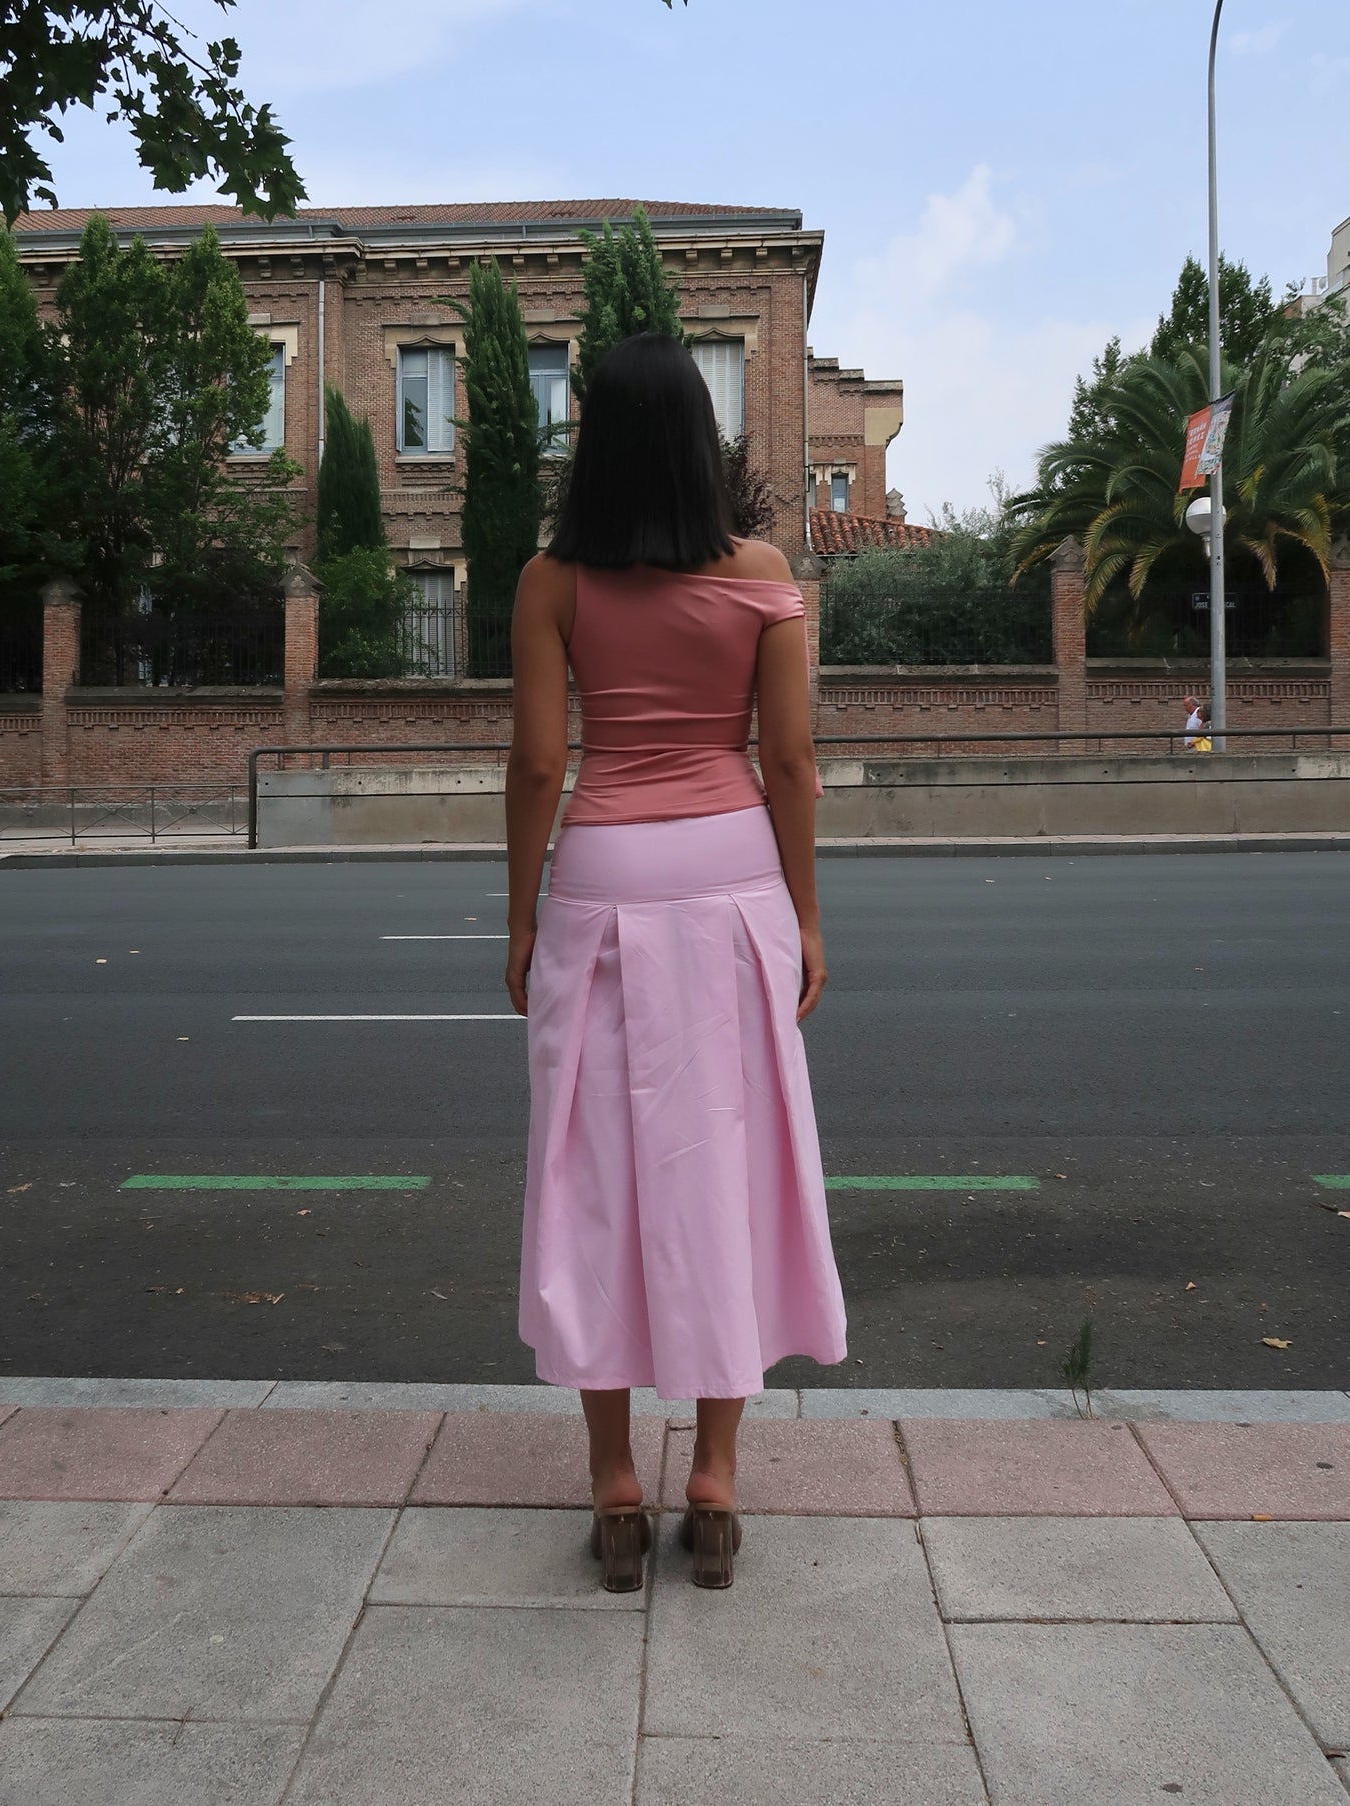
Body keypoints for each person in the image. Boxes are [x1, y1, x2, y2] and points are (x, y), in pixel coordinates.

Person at [504, 333, 848, 1592]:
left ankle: (610, 1486)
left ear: (595, 439)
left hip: (601, 876)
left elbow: (540, 763)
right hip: (730, 880)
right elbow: (791, 766)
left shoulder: (551, 579)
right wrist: (804, 919)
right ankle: (711, 1475)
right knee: (726, 1164)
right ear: (701, 441)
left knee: (590, 1170)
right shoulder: (761, 575)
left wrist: (520, 918)